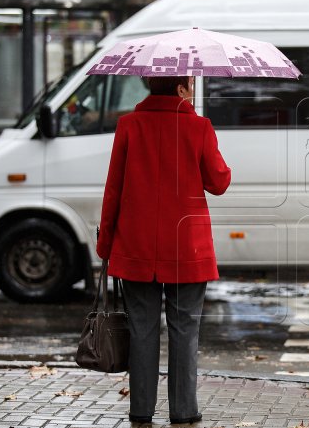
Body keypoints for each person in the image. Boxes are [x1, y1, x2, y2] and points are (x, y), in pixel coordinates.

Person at [97, 75, 231, 425]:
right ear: (181, 88)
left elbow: (113, 188)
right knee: (185, 331)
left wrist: (106, 243)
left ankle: (141, 410)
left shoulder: (128, 126)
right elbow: (219, 182)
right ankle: (184, 411)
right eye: (190, 83)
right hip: (187, 249)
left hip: (136, 247)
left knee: (141, 332)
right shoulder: (199, 127)